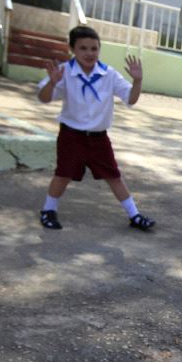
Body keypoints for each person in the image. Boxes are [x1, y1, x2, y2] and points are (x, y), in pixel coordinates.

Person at [37, 25, 155, 231]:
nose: (89, 53)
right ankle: (48, 210)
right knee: (63, 174)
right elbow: (44, 98)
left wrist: (137, 81)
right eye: (83, 48)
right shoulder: (64, 72)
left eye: (94, 48)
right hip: (71, 135)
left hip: (99, 138)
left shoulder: (108, 74)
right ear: (73, 49)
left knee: (113, 175)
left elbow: (131, 98)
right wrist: (52, 83)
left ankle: (134, 215)